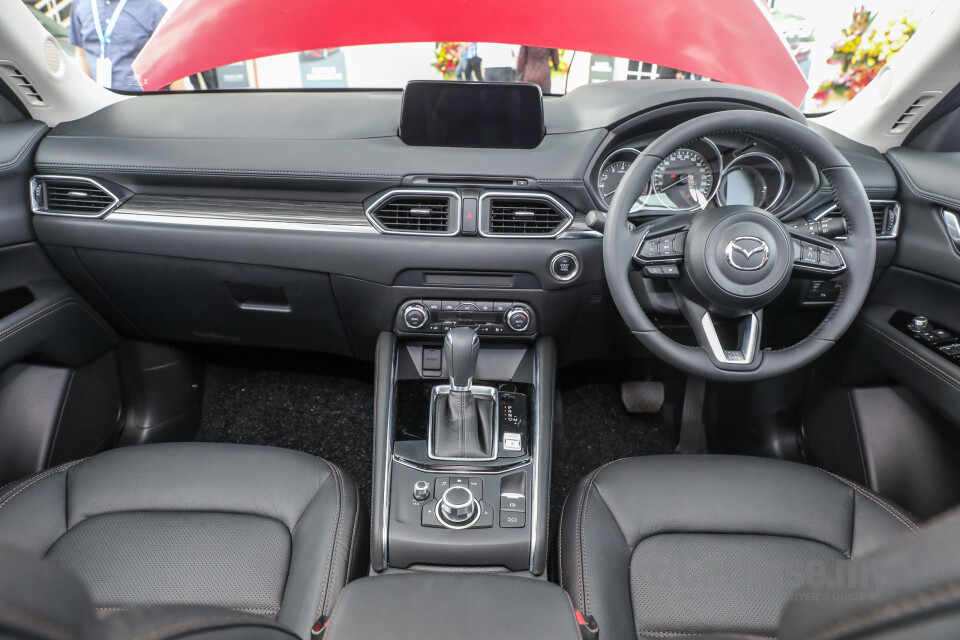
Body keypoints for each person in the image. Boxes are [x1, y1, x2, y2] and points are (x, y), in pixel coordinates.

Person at [69, 0, 167, 91]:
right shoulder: (80, 4)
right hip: (100, 101)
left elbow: (171, 61)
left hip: (140, 100)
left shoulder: (153, 9)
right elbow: (81, 53)